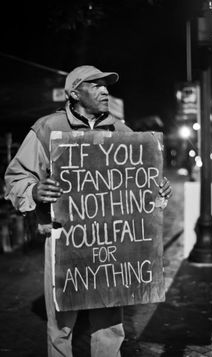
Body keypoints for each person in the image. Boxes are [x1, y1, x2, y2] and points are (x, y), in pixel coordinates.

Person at [4, 65, 172, 357]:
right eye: (95, 85)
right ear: (74, 93)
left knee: (110, 327)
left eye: (106, 85)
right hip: (62, 240)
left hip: (113, 244)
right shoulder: (47, 128)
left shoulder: (122, 131)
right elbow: (15, 179)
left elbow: (144, 182)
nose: (105, 90)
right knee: (61, 327)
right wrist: (34, 191)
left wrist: (158, 191)